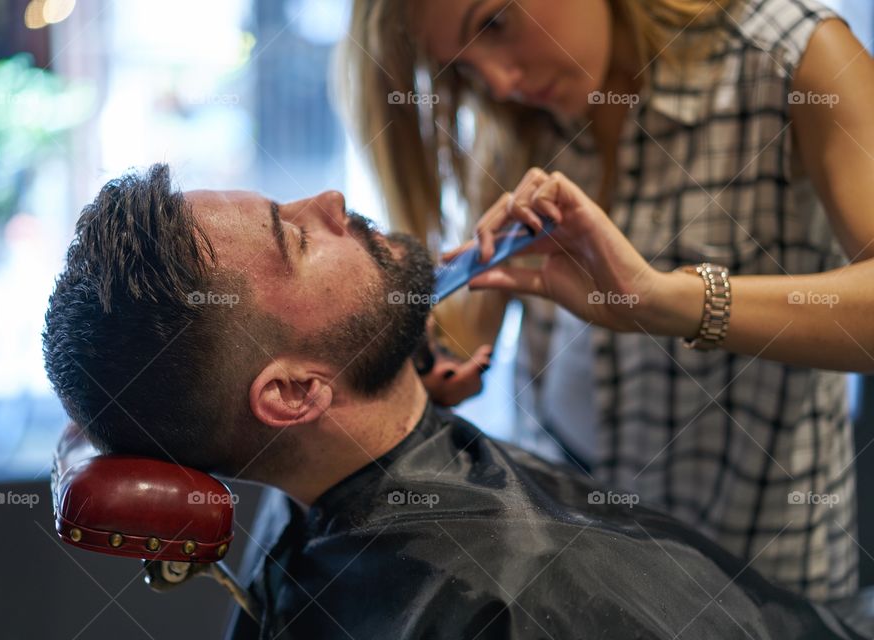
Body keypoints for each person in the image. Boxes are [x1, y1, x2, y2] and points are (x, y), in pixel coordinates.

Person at [42, 165, 869, 639]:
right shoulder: (509, 602)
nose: (330, 200)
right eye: (297, 239)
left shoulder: (293, 506)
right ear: (294, 392)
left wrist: (398, 376)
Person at [338, 0, 874, 601]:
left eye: (494, 23)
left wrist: (667, 301)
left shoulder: (794, 61)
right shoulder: (522, 123)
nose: (501, 81)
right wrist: (423, 367)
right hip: (572, 582)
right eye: (462, 70)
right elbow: (465, 343)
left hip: (756, 589)